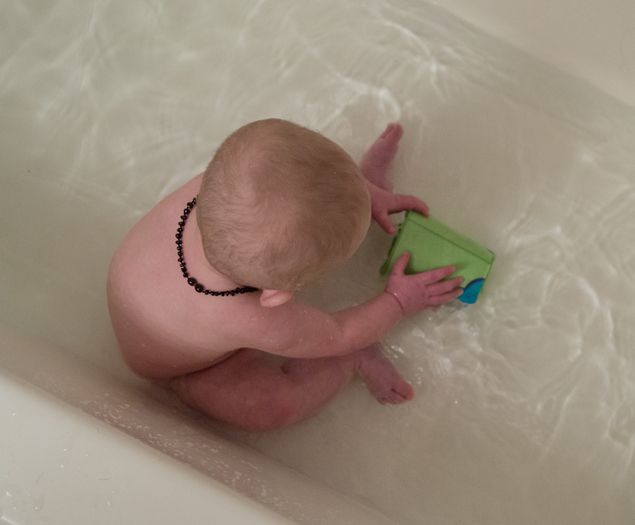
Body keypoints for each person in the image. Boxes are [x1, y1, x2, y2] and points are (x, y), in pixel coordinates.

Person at [107, 119, 463, 431]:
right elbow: (339, 333)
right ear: (276, 295)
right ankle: (353, 361)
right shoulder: (252, 317)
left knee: (300, 194)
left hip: (151, 317)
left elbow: (292, 188)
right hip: (182, 369)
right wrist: (398, 301)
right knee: (273, 407)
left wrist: (357, 195)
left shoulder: (222, 188)